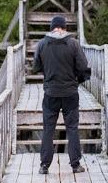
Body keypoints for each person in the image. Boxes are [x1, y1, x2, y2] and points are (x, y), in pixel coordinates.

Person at [31, 14, 91, 174]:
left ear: (52, 28)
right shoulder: (73, 44)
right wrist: (76, 79)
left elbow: (35, 67)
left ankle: (44, 165)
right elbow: (83, 67)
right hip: (70, 93)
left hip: (50, 94)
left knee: (48, 129)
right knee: (72, 128)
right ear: (64, 27)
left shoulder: (42, 44)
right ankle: (75, 165)